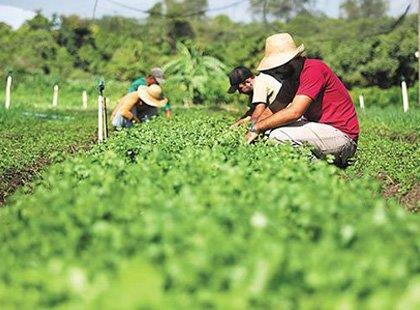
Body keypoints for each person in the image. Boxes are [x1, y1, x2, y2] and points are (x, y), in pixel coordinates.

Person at [246, 33, 359, 167]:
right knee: (269, 130)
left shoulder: (313, 69)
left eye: (278, 67)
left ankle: (319, 170)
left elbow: (295, 112)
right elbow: (273, 109)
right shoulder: (290, 80)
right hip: (323, 131)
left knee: (278, 135)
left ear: (293, 59)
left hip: (342, 137)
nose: (276, 72)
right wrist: (252, 128)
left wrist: (258, 127)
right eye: (273, 69)